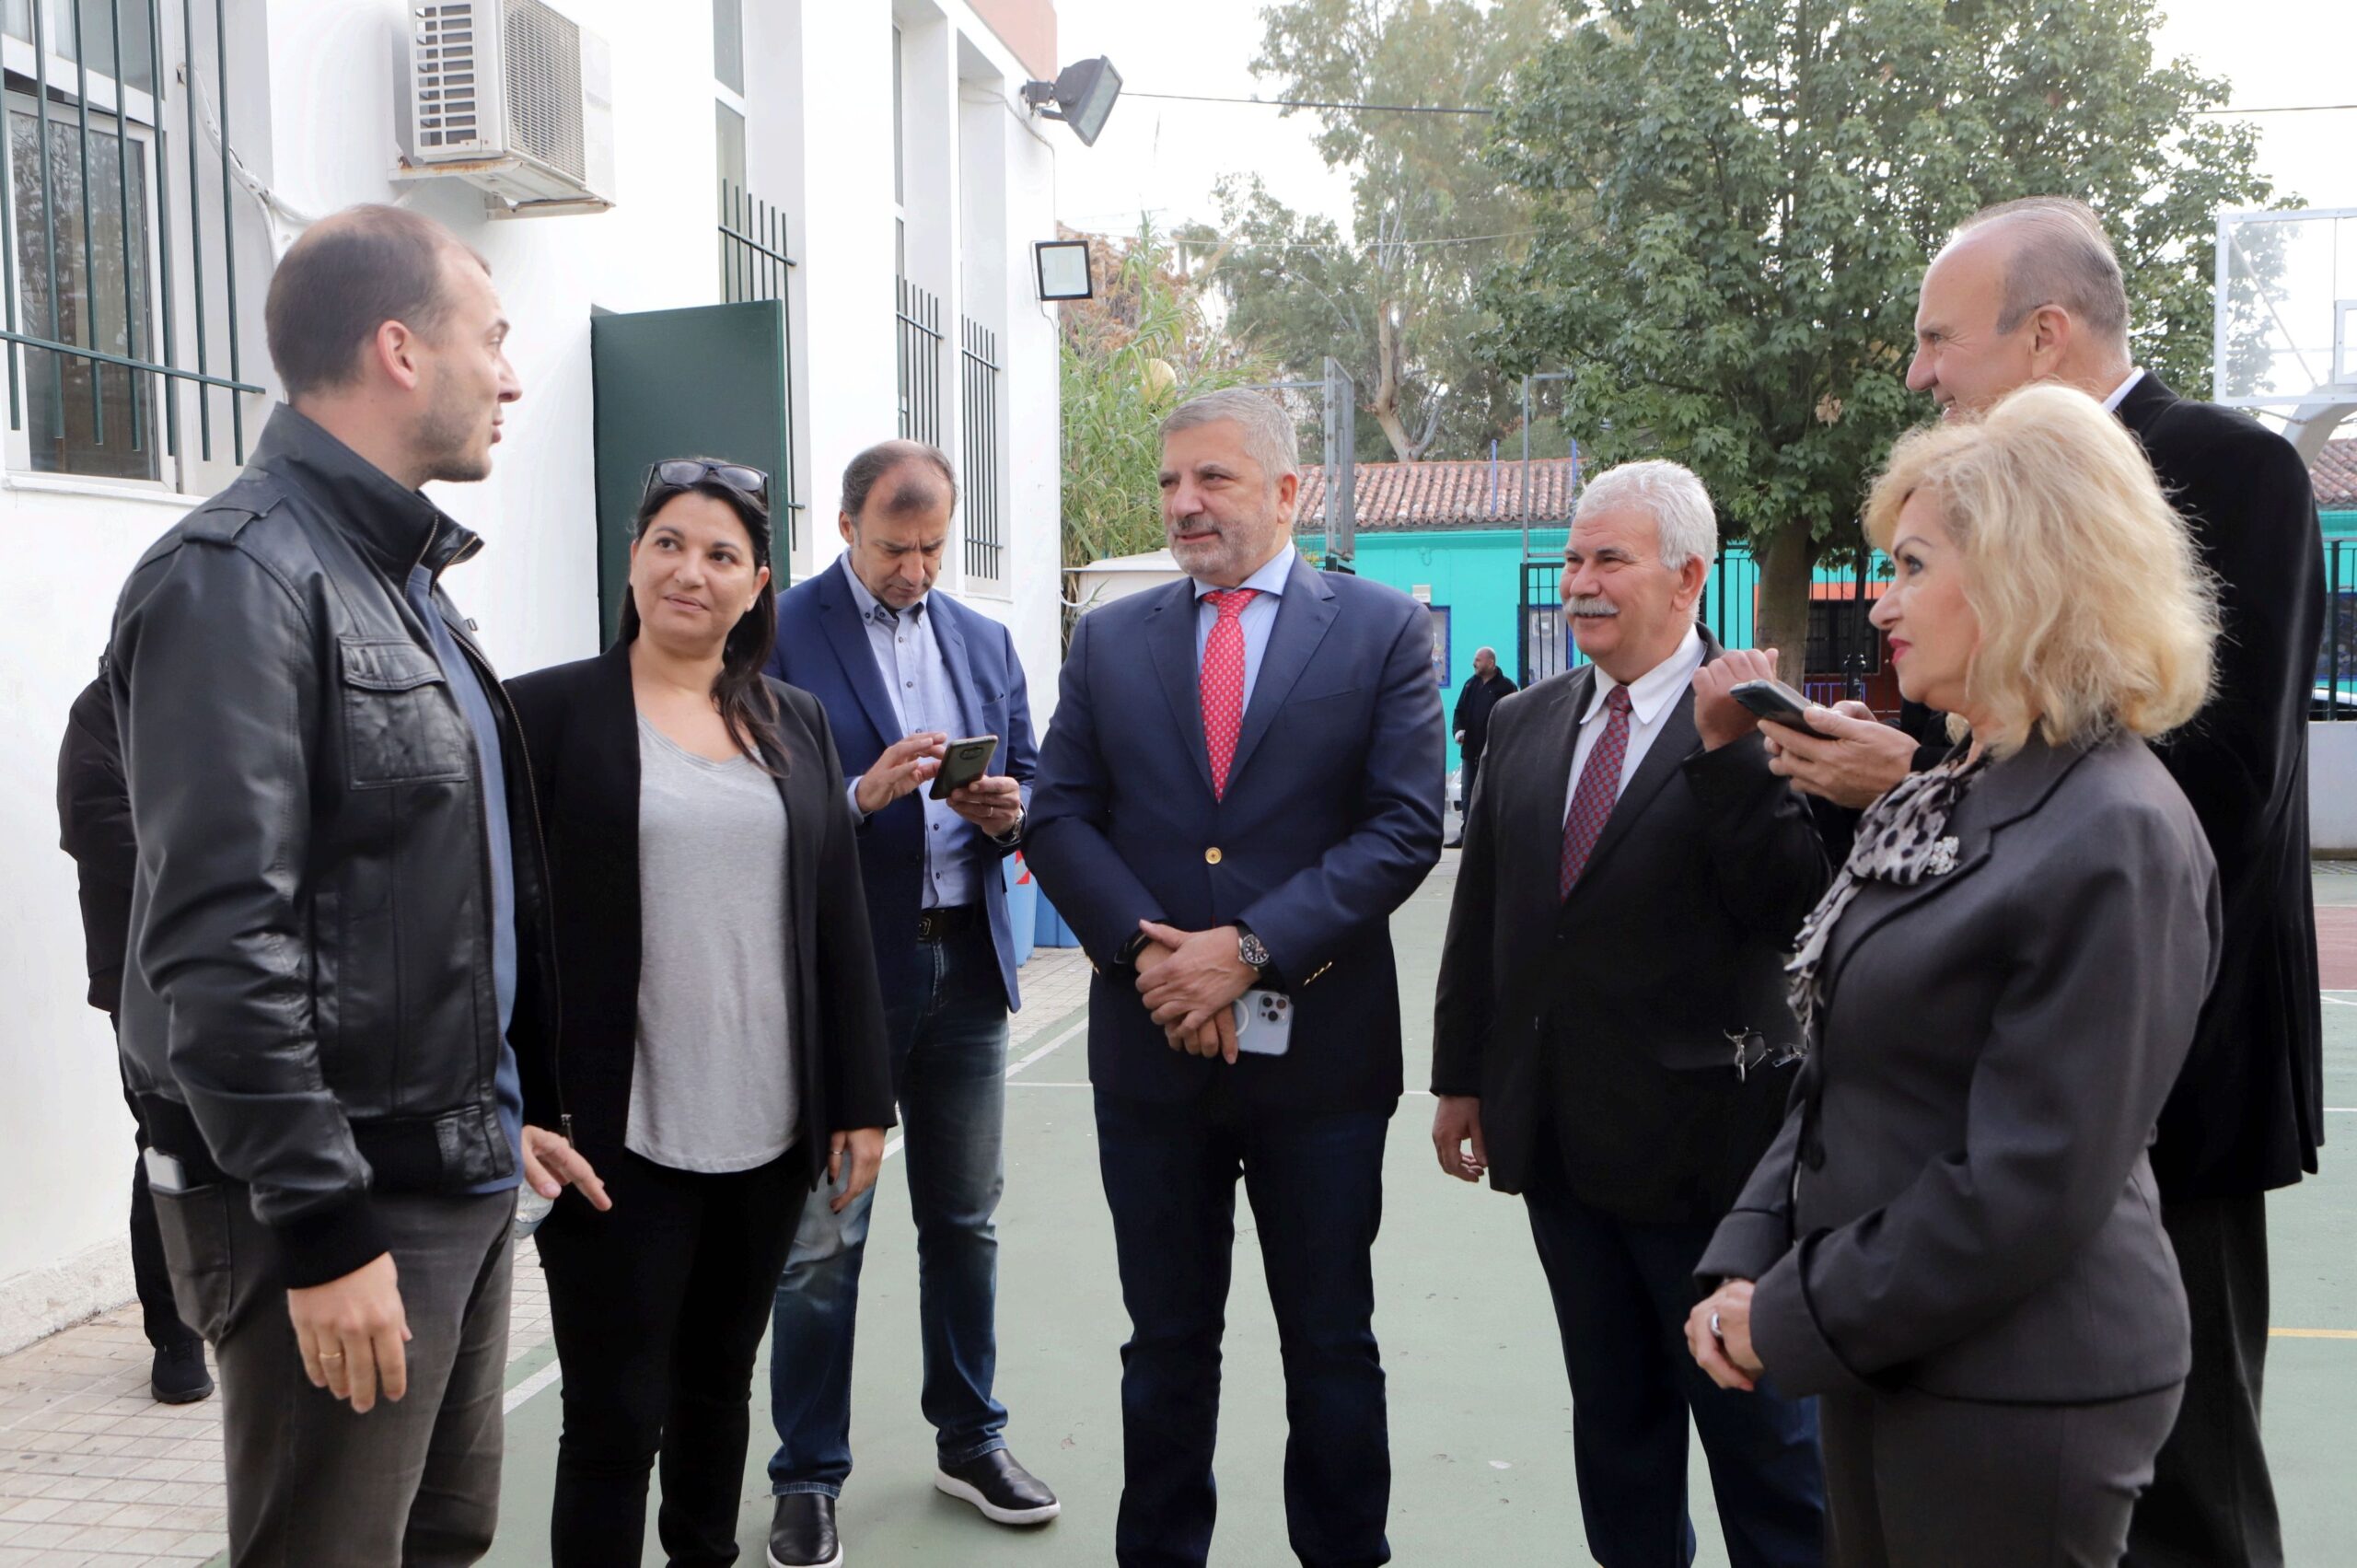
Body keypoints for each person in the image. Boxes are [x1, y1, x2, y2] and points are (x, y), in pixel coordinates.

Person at [1763, 197, 2325, 1568]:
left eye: (1937, 338)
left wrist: (1915, 778)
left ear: (2046, 333)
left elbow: (2220, 789)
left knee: (2190, 1497)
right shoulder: (1971, 505)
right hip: (1981, 1090)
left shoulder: (2235, 469)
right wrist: (1901, 785)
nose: (1918, 373)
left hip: (2169, 1083)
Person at [107, 203, 602, 1565]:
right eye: (491, 339)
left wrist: (493, 1107)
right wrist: (322, 1228)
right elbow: (220, 945)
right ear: (399, 349)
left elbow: (413, 894)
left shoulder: (401, 579)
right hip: (340, 1205)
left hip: (448, 1170)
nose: (511, 377)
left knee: (444, 1535)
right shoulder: (239, 576)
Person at [1688, 383, 2223, 1568]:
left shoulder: (2114, 829)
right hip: (1890, 1346)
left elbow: (2029, 1180)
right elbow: (1845, 1069)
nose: (1882, 601)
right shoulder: (1955, 787)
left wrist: (1792, 1305)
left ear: (2026, 576)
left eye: (1913, 565)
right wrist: (1750, 1248)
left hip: (2017, 1384)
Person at [1028, 388, 1444, 1568]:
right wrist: (1156, 958)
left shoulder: (1377, 630)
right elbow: (1058, 815)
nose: (1183, 502)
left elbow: (1403, 826)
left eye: (1211, 477)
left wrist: (1246, 949)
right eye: (1169, 481)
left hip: (1321, 1062)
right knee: (1164, 1343)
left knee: (1330, 1341)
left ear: (1286, 490)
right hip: (1152, 1052)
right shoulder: (1112, 639)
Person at [1431, 460, 1827, 1568]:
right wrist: (1460, 1076)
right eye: (1572, 558)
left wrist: (1730, 752)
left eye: (1610, 558)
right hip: (1561, 1147)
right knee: (1616, 1431)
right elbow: (1485, 915)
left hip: (1716, 1165)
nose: (1580, 581)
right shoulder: (1522, 719)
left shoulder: (1765, 722)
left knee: (1763, 1446)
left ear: (1689, 577)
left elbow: (1793, 910)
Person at [504, 459, 894, 1566]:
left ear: (757, 583)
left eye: (722, 554)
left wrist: (861, 1098)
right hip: (614, 1134)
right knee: (614, 1415)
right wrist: (512, 1098)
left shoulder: (795, 721)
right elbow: (494, 925)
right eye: (669, 543)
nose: (692, 570)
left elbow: (837, 921)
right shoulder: (542, 713)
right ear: (633, 559)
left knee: (720, 1388)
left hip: (767, 1130)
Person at [758, 439, 1052, 1565]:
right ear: (843, 525)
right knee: (823, 1236)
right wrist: (857, 794)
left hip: (966, 968)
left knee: (965, 1221)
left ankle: (970, 1438)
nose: (915, 568)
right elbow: (744, 793)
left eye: (932, 547)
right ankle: (807, 1473)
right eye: (893, 546)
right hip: (843, 978)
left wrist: (1010, 810)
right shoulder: (779, 630)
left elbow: (1037, 777)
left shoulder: (983, 638)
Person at [55, 661, 212, 1405]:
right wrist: (210, 871)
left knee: (261, 1126)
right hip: (147, 972)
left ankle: (255, 1301)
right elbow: (93, 820)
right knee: (168, 1139)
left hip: (243, 959)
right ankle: (176, 1331)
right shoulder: (101, 711)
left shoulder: (219, 696)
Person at [1445, 645, 1517, 847]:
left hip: (1494, 753)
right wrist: (1458, 731)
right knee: (1468, 794)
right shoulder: (1470, 685)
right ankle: (1468, 836)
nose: (1473, 663)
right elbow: (1459, 712)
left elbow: (1513, 718)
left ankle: (1491, 838)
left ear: (1490, 663)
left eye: (1477, 660)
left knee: (1491, 794)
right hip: (1470, 751)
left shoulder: (1506, 687)